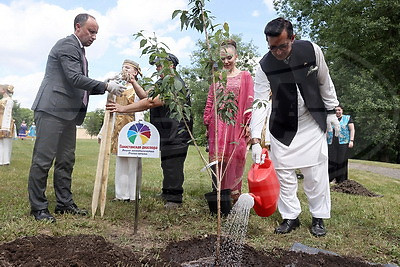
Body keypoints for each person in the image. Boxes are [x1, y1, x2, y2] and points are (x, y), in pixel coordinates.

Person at [28, 13, 125, 223]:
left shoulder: (80, 52)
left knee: (66, 160)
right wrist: (106, 85)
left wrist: (103, 83)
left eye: (96, 33)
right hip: (51, 110)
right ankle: (38, 208)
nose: (94, 37)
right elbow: (74, 78)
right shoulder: (67, 45)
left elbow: (78, 80)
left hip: (68, 114)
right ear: (78, 26)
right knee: (43, 161)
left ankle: (64, 203)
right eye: (91, 32)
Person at [250, 17, 340, 237]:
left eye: (282, 46)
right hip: (282, 125)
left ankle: (318, 217)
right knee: (284, 175)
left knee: (315, 174)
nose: (278, 52)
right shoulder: (263, 66)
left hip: (311, 119)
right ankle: (290, 217)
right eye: (272, 47)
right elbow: (260, 102)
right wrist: (254, 139)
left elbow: (324, 81)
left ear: (292, 38)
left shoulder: (311, 50)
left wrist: (331, 111)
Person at [106, 53, 193, 209]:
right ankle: (167, 192)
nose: (157, 69)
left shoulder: (175, 83)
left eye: (160, 65)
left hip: (177, 132)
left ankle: (174, 199)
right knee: (167, 163)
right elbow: (145, 95)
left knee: (174, 164)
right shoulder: (162, 83)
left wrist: (123, 108)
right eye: (156, 66)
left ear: (170, 66)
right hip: (166, 132)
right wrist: (133, 81)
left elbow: (152, 102)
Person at [203, 40, 254, 202]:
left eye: (229, 58)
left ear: (236, 56)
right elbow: (210, 100)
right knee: (218, 161)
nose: (226, 61)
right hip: (217, 125)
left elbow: (249, 102)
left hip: (236, 123)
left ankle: (234, 194)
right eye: (223, 58)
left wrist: (248, 123)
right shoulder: (217, 77)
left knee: (235, 158)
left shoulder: (245, 76)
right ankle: (219, 195)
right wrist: (207, 121)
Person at [98, 59, 145, 202]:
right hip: (118, 128)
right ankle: (121, 194)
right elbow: (109, 110)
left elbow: (144, 99)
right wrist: (103, 132)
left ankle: (134, 195)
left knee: (134, 162)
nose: (124, 70)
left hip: (133, 128)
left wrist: (133, 82)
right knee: (121, 161)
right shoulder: (118, 89)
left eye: (128, 68)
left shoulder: (137, 89)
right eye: (123, 67)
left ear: (135, 72)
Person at [327, 105, 355, 184]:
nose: (337, 112)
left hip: (343, 142)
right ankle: (331, 178)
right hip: (331, 142)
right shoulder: (330, 119)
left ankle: (341, 180)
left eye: (339, 110)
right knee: (331, 160)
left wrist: (351, 140)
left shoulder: (347, 118)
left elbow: (352, 129)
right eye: (336, 110)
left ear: (342, 110)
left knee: (341, 160)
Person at [0, 84, 15, 166]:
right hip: (0, 120)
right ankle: (1, 159)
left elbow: (8, 113)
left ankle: (5, 160)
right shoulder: (2, 100)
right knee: (1, 141)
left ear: (4, 90)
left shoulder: (9, 100)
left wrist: (6, 127)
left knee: (6, 142)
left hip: (6, 121)